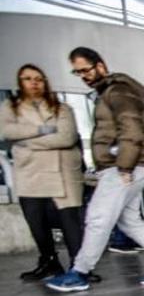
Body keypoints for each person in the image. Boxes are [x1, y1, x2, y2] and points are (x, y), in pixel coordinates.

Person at [45, 47, 144, 291]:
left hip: (126, 166)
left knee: (98, 218)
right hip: (130, 166)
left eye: (85, 70)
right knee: (130, 221)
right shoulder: (111, 91)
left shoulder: (118, 90)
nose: (83, 76)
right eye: (77, 73)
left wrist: (125, 166)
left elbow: (131, 128)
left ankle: (79, 273)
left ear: (100, 65)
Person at [0, 63, 85, 281]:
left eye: (39, 78)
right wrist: (42, 130)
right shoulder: (10, 107)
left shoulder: (62, 108)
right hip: (31, 172)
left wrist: (26, 142)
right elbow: (6, 131)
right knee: (36, 222)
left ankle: (80, 267)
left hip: (63, 172)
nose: (34, 82)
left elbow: (67, 137)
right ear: (20, 82)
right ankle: (48, 262)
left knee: (70, 223)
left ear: (45, 81)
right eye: (27, 78)